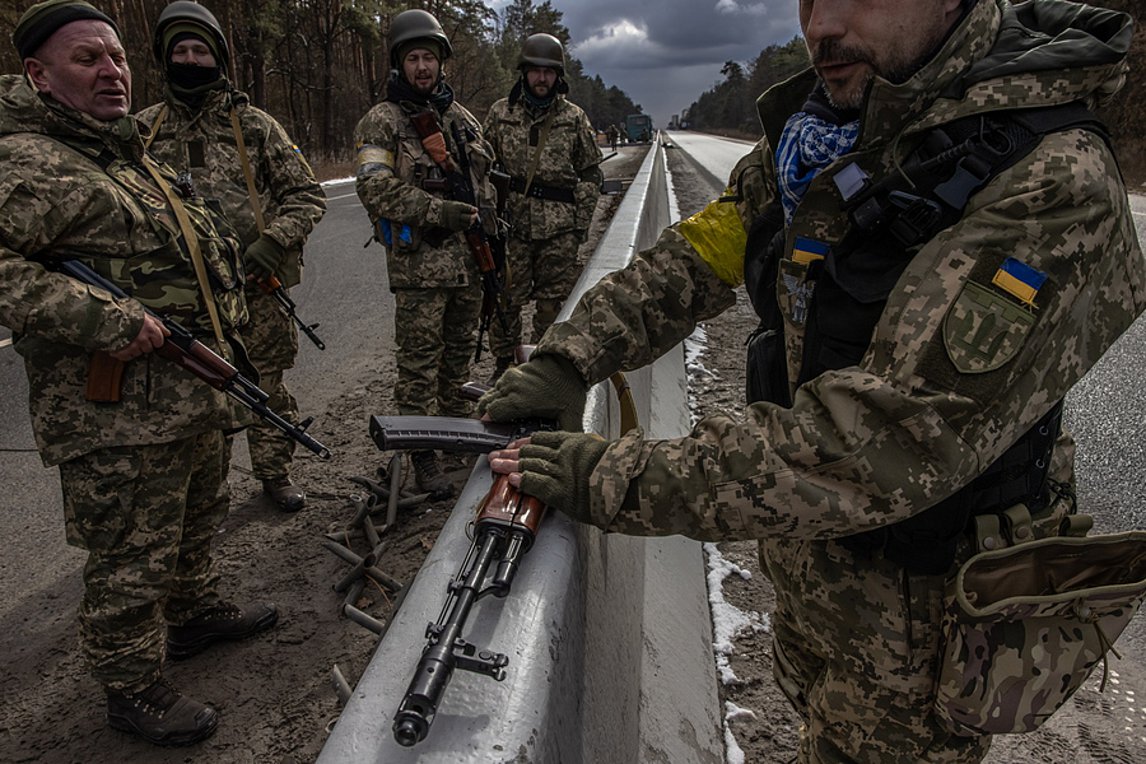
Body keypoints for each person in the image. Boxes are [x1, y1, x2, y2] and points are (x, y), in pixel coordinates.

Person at [481, 0, 1144, 761]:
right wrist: (571, 354)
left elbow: (878, 443)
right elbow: (703, 254)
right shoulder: (829, 130)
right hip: (813, 568)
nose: (821, 26)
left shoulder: (1049, 178)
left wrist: (609, 476)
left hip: (922, 620)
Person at [0, 0, 278, 747]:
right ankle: (131, 687)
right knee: (130, 552)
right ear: (40, 74)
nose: (111, 71)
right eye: (88, 58)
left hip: (184, 394)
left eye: (118, 57)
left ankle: (191, 614)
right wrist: (102, 318)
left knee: (193, 517)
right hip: (114, 412)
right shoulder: (26, 161)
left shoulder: (122, 152)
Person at [137, 1, 327, 513]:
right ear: (164, 57)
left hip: (254, 290)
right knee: (198, 395)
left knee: (265, 385)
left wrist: (273, 241)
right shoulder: (141, 131)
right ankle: (204, 496)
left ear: (218, 56)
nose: (192, 59)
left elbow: (307, 195)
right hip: (182, 300)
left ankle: (273, 474)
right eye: (181, 49)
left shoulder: (255, 126)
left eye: (201, 49)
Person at [352, 9, 500, 500]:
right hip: (420, 270)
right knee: (418, 369)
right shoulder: (382, 122)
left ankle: (456, 438)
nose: (422, 67)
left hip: (469, 267)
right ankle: (422, 457)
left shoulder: (463, 119)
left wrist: (493, 243)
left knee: (457, 365)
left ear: (442, 63)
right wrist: (438, 213)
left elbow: (483, 189)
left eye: (429, 58)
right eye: (413, 58)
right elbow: (374, 189)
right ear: (399, 63)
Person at [482, 33, 603, 382]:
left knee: (554, 309)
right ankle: (504, 368)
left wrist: (580, 225)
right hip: (512, 229)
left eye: (548, 72)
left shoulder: (574, 118)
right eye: (535, 71)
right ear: (524, 72)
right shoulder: (500, 113)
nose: (541, 79)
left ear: (558, 76)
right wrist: (491, 217)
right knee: (505, 302)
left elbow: (590, 173)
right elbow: (483, 168)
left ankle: (543, 374)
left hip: (559, 232)